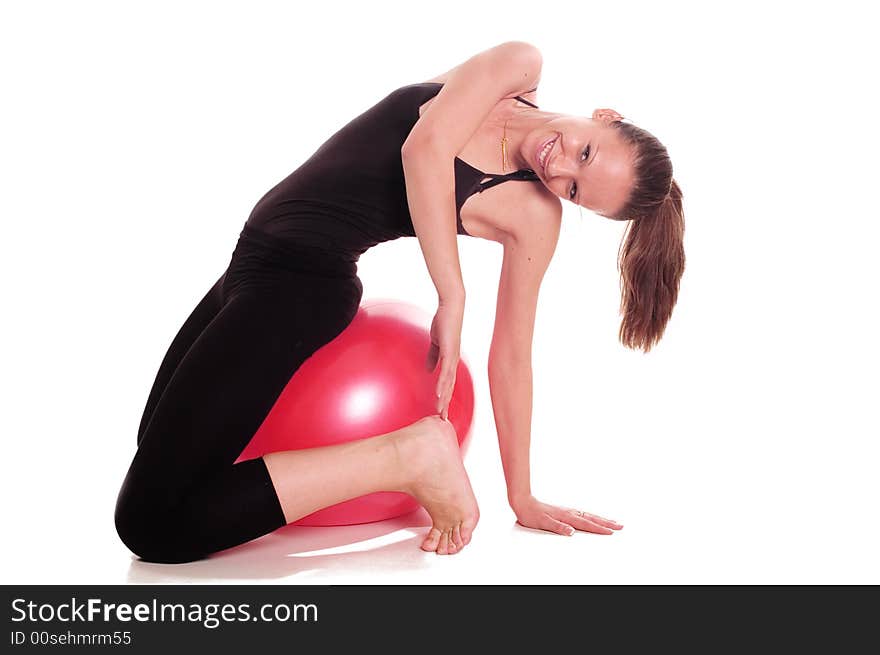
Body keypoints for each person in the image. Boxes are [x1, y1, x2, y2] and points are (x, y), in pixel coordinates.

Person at [115, 41, 684, 564]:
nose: (558, 169)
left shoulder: (530, 215)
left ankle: (406, 458)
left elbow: (512, 355)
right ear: (605, 116)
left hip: (298, 290)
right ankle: (396, 460)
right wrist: (452, 294)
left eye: (575, 191)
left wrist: (521, 494)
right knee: (156, 456)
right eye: (586, 153)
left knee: (150, 524)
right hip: (249, 267)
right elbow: (425, 146)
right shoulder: (516, 67)